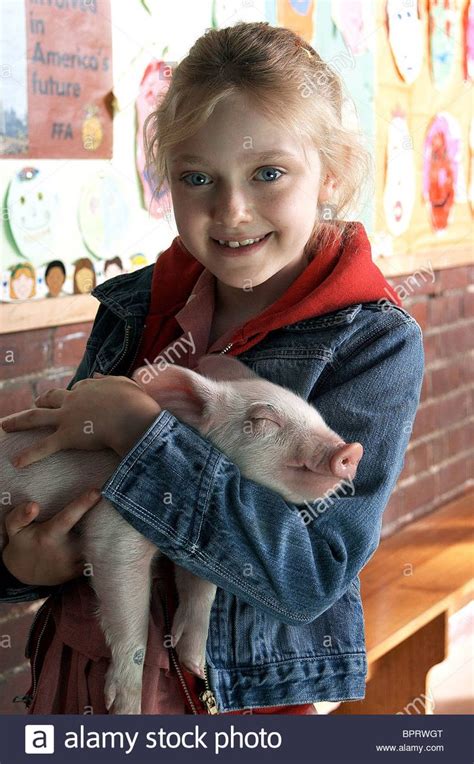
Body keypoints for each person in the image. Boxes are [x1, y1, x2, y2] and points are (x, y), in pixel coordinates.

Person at [0, 22, 424, 714]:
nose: (230, 209)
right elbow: (58, 489)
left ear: (333, 172)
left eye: (268, 174)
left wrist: (143, 433)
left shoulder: (372, 343)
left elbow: (308, 573)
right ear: (166, 175)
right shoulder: (137, 310)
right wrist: (25, 566)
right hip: (80, 676)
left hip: (233, 700)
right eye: (197, 177)